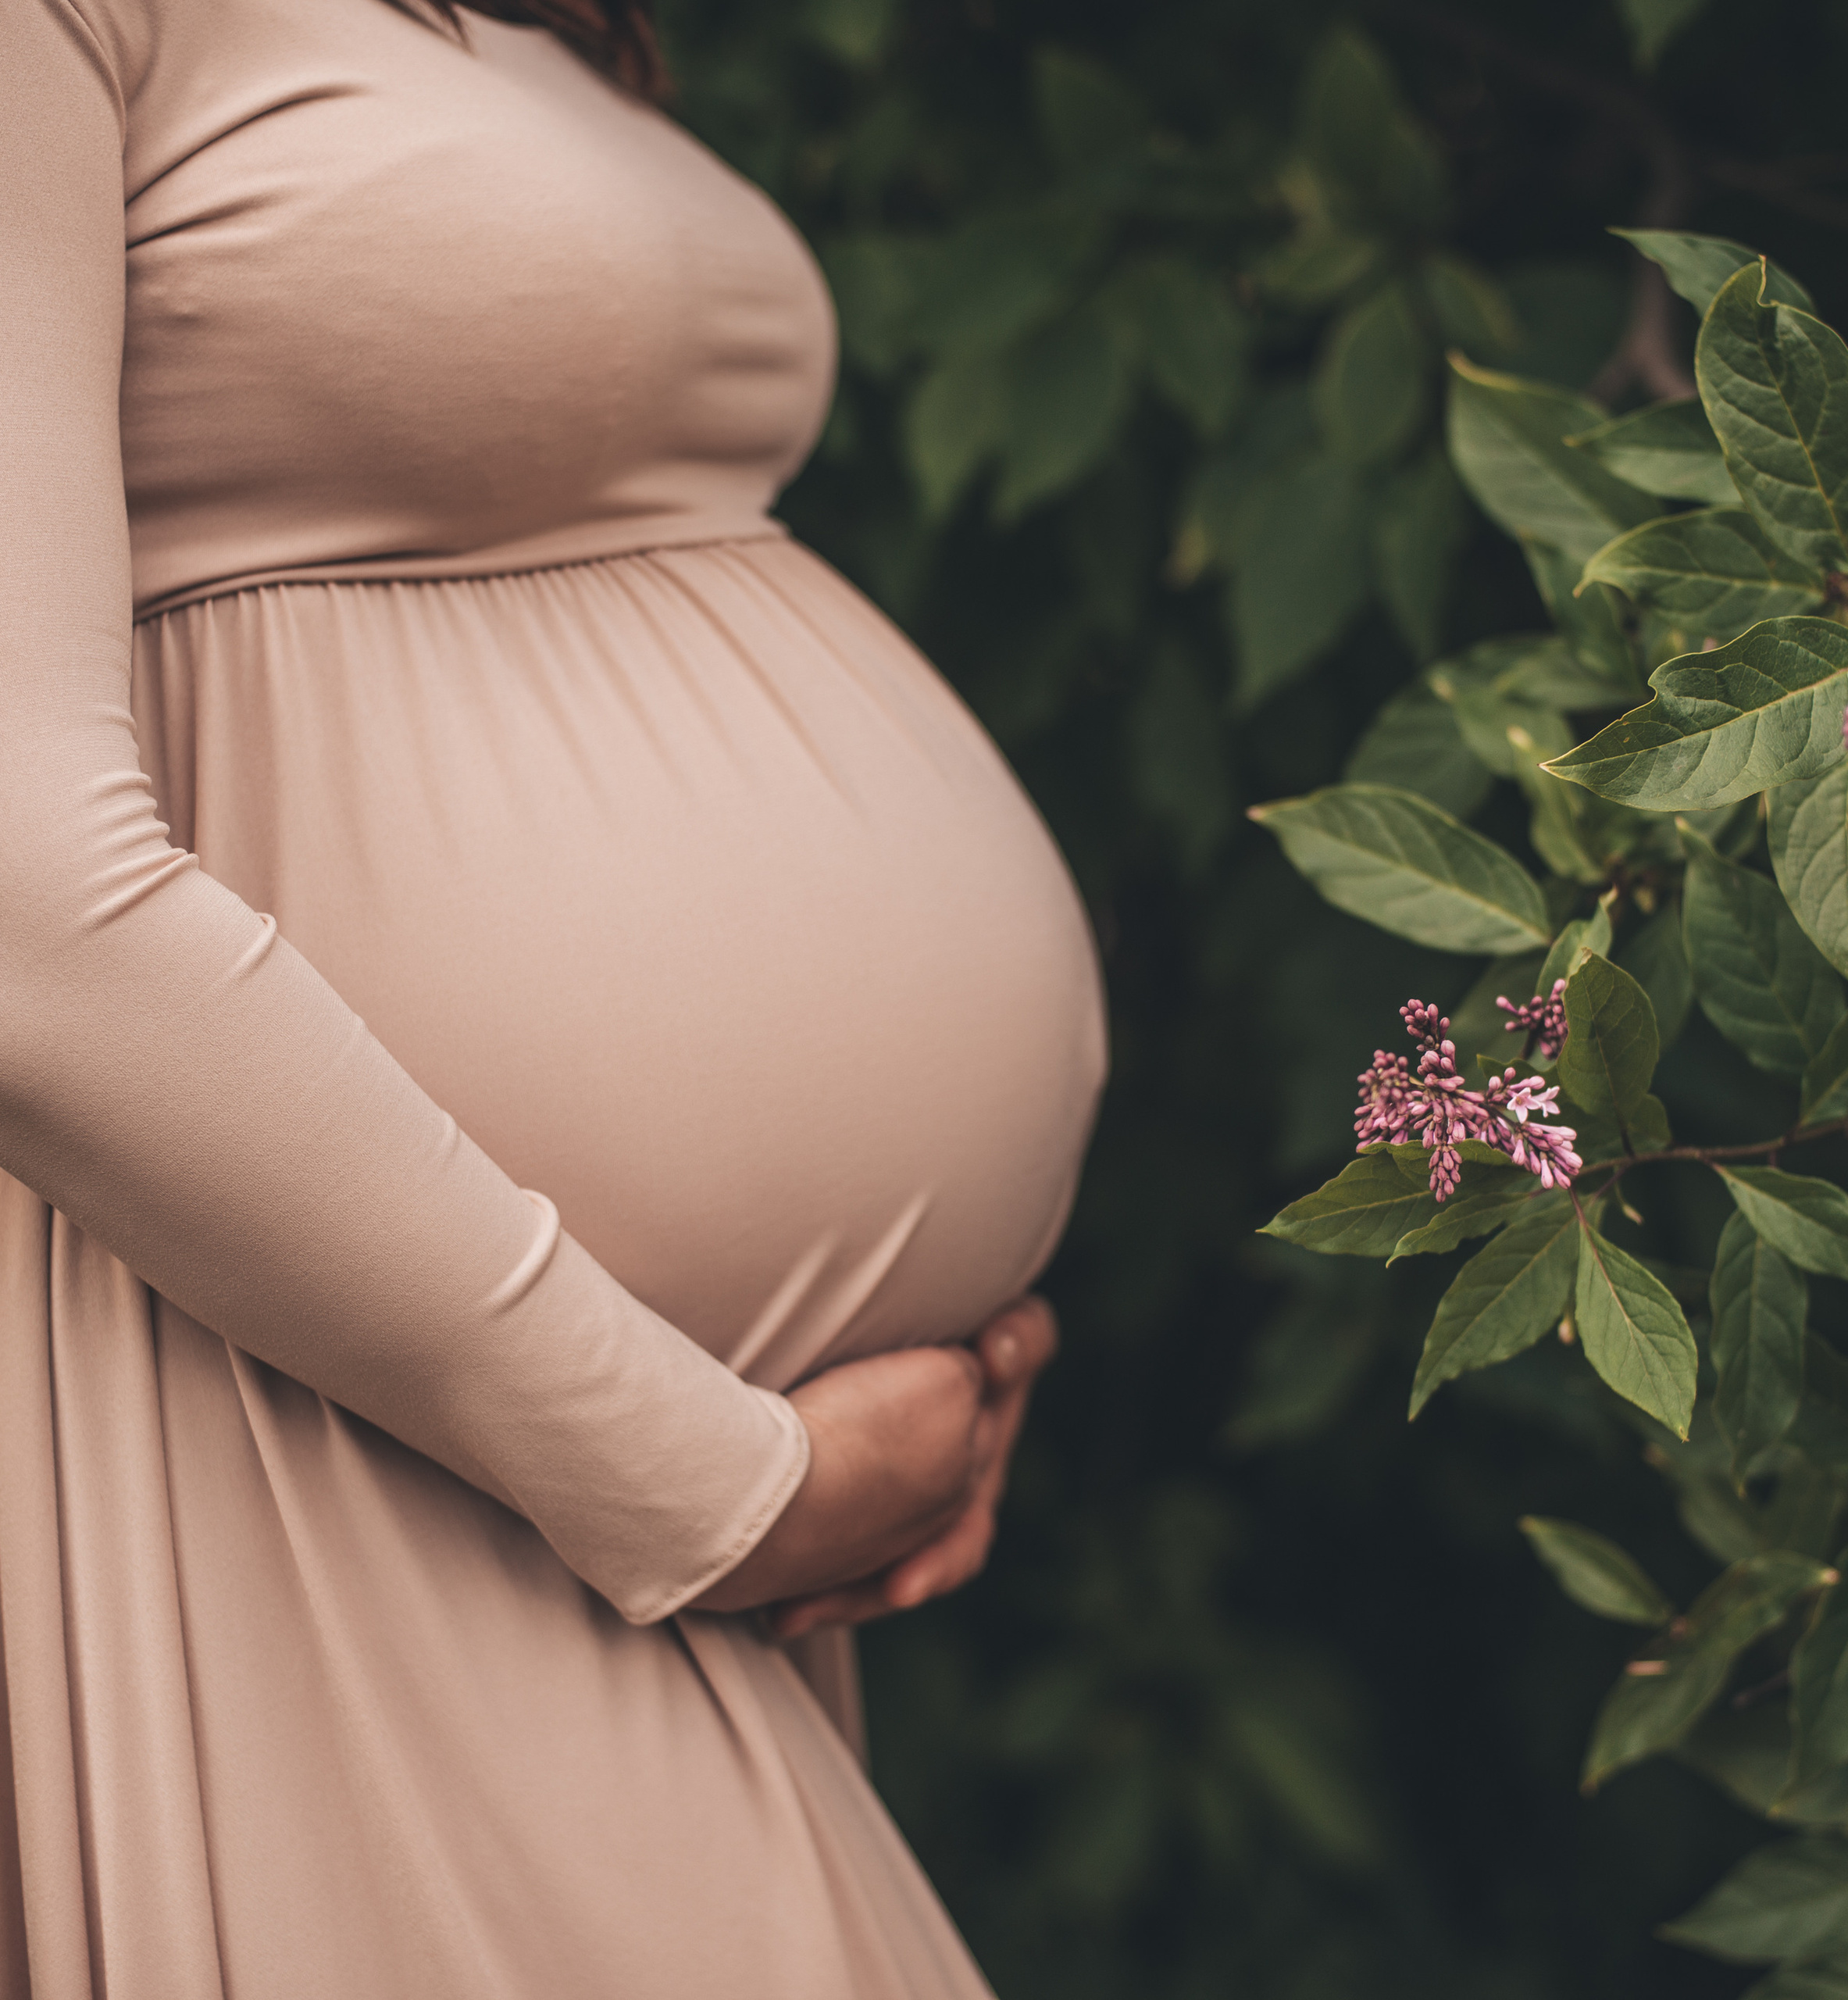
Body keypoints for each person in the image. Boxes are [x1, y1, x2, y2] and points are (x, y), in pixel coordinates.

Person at [0, 0, 1107, 1993]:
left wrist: (936, 1374)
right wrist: (699, 1482)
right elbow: (19, 914)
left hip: (627, 1478)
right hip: (318, 1415)